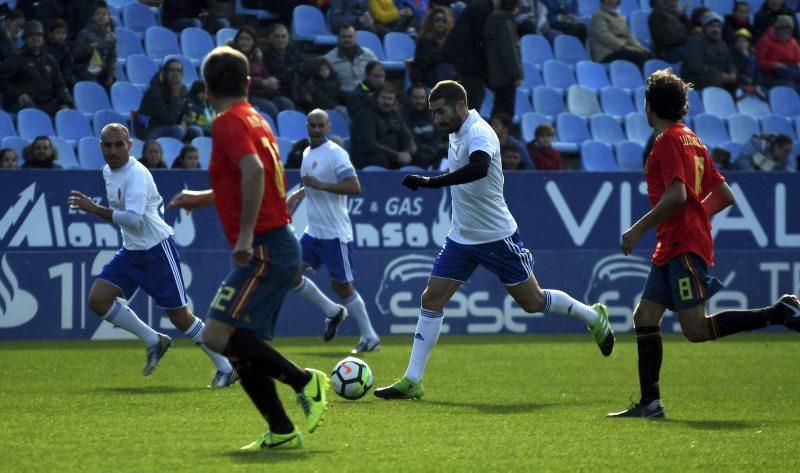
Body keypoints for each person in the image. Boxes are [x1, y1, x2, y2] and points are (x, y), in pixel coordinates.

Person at [374, 81, 614, 400]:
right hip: (461, 236)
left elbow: (479, 167)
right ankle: (413, 380)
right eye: (433, 114)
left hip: (496, 236)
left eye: (441, 112)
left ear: (461, 105)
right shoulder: (456, 129)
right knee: (431, 299)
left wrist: (432, 182)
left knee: (533, 302)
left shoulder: (479, 132)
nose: (437, 119)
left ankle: (593, 316)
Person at [607, 69, 800, 419]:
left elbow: (677, 195)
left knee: (695, 329)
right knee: (645, 316)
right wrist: (695, 215)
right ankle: (650, 403)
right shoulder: (692, 139)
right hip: (675, 242)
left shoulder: (666, 141)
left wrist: (637, 229)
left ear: (649, 106)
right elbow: (724, 195)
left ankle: (779, 312)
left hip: (681, 244)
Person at [166, 46, 330, 450]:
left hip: (265, 245)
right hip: (276, 243)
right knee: (239, 346)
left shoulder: (226, 123)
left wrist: (243, 238)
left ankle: (306, 382)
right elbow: (242, 179)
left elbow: (254, 171)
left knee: (216, 334)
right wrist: (201, 198)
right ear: (247, 82)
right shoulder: (257, 118)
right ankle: (281, 430)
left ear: (205, 88)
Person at [66, 123, 237, 387]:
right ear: (100, 147)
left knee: (180, 317)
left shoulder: (136, 174)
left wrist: (94, 209)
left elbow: (134, 219)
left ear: (129, 146)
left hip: (157, 248)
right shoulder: (108, 172)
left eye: (119, 144)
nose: (113, 150)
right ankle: (153, 340)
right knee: (98, 300)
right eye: (108, 145)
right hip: (132, 251)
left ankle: (225, 366)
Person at [285, 109, 381, 353]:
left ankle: (370, 337)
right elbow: (313, 184)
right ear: (307, 126)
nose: (316, 130)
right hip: (313, 231)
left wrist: (321, 186)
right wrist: (299, 193)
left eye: (321, 126)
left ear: (328, 127)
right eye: (312, 125)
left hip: (335, 234)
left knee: (342, 287)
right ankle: (332, 310)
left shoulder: (336, 154)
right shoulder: (307, 152)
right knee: (289, 275)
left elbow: (354, 186)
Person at [0, 20, 73, 115]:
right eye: (31, 36)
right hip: (25, 103)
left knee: (67, 112)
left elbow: (59, 84)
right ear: (25, 39)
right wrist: (18, 94)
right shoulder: (16, 59)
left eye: (38, 35)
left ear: (43, 38)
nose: (35, 38)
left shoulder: (50, 60)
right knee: (29, 109)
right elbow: (3, 80)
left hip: (47, 103)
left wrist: (65, 102)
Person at [350, 82, 418, 169]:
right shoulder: (367, 114)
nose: (387, 102)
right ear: (376, 98)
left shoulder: (394, 114)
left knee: (420, 155)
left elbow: (407, 136)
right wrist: (396, 155)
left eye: (390, 99)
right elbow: (369, 144)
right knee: (380, 159)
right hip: (368, 157)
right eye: (383, 98)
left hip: (392, 155)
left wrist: (407, 152)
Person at [137, 58, 203, 142]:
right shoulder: (154, 91)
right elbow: (169, 119)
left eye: (178, 71)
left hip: (173, 126)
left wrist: (185, 121)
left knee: (196, 131)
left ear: (182, 74)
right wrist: (175, 95)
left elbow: (188, 113)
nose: (175, 74)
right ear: (165, 73)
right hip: (152, 129)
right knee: (178, 130)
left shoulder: (182, 89)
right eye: (172, 70)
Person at [681, 11, 737, 91]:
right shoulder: (696, 41)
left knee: (739, 79)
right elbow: (696, 67)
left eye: (718, 26)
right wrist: (720, 74)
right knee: (714, 79)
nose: (716, 29)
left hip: (718, 75)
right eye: (712, 26)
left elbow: (730, 62)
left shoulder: (721, 43)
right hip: (695, 79)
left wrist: (733, 73)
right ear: (705, 27)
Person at [485, 0, 522, 119]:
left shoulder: (494, 19)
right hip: (506, 76)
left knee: (499, 111)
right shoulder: (505, 22)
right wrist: (516, 75)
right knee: (504, 113)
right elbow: (509, 50)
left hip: (497, 74)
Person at [589, 0, 651, 67]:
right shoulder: (598, 15)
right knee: (637, 56)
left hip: (623, 50)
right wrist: (623, 46)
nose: (610, 1)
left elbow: (629, 37)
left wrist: (640, 48)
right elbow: (604, 36)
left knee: (647, 54)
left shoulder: (621, 17)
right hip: (608, 53)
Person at [323, 24, 379, 94]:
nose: (347, 40)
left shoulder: (368, 54)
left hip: (368, 95)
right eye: (343, 37)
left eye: (350, 37)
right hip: (344, 97)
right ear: (338, 38)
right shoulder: (328, 59)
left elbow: (378, 75)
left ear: (355, 38)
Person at [72, 3, 116, 88]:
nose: (101, 16)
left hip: (103, 73)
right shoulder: (84, 33)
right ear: (93, 17)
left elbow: (112, 58)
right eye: (98, 14)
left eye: (104, 14)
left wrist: (111, 75)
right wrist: (88, 49)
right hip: (86, 71)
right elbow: (76, 54)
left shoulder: (111, 37)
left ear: (108, 18)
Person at [412, 7, 455, 88]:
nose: (440, 23)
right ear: (431, 22)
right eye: (437, 20)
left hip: (443, 77)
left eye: (444, 20)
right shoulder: (424, 40)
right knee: (444, 67)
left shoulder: (450, 40)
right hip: (426, 79)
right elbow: (431, 60)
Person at [755, 15, 800, 89]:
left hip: (791, 70)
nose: (786, 33)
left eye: (788, 31)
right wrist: (774, 65)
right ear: (777, 29)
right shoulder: (765, 41)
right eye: (783, 30)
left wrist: (798, 63)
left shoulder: (793, 42)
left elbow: (797, 58)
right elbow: (760, 62)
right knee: (790, 87)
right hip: (772, 74)